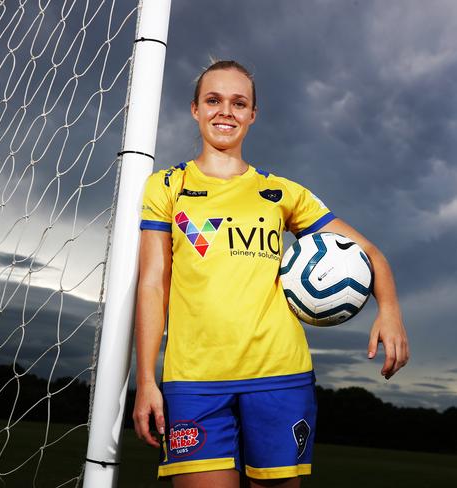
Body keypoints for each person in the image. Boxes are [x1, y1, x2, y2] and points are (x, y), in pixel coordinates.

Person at [133, 60, 409, 488]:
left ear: (252, 115)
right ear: (194, 109)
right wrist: (147, 379)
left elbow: (368, 251)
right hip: (194, 381)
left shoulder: (281, 192)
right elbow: (153, 284)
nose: (226, 111)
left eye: (238, 103)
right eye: (214, 100)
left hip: (279, 375)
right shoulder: (166, 186)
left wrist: (388, 309)